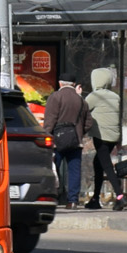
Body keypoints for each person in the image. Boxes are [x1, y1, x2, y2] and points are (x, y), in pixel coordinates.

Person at [84, 67, 127, 210]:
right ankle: (95, 199)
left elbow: (83, 109)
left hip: (101, 135)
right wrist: (119, 141)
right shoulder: (115, 97)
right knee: (98, 163)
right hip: (113, 137)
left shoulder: (94, 96)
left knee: (107, 166)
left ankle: (120, 197)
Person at [43, 77, 91, 208]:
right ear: (74, 84)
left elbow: (50, 120)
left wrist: (46, 135)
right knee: (74, 170)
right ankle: (73, 201)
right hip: (76, 141)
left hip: (57, 140)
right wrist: (79, 132)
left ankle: (52, 197)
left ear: (60, 83)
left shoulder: (55, 97)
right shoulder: (81, 100)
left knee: (52, 168)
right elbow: (89, 122)